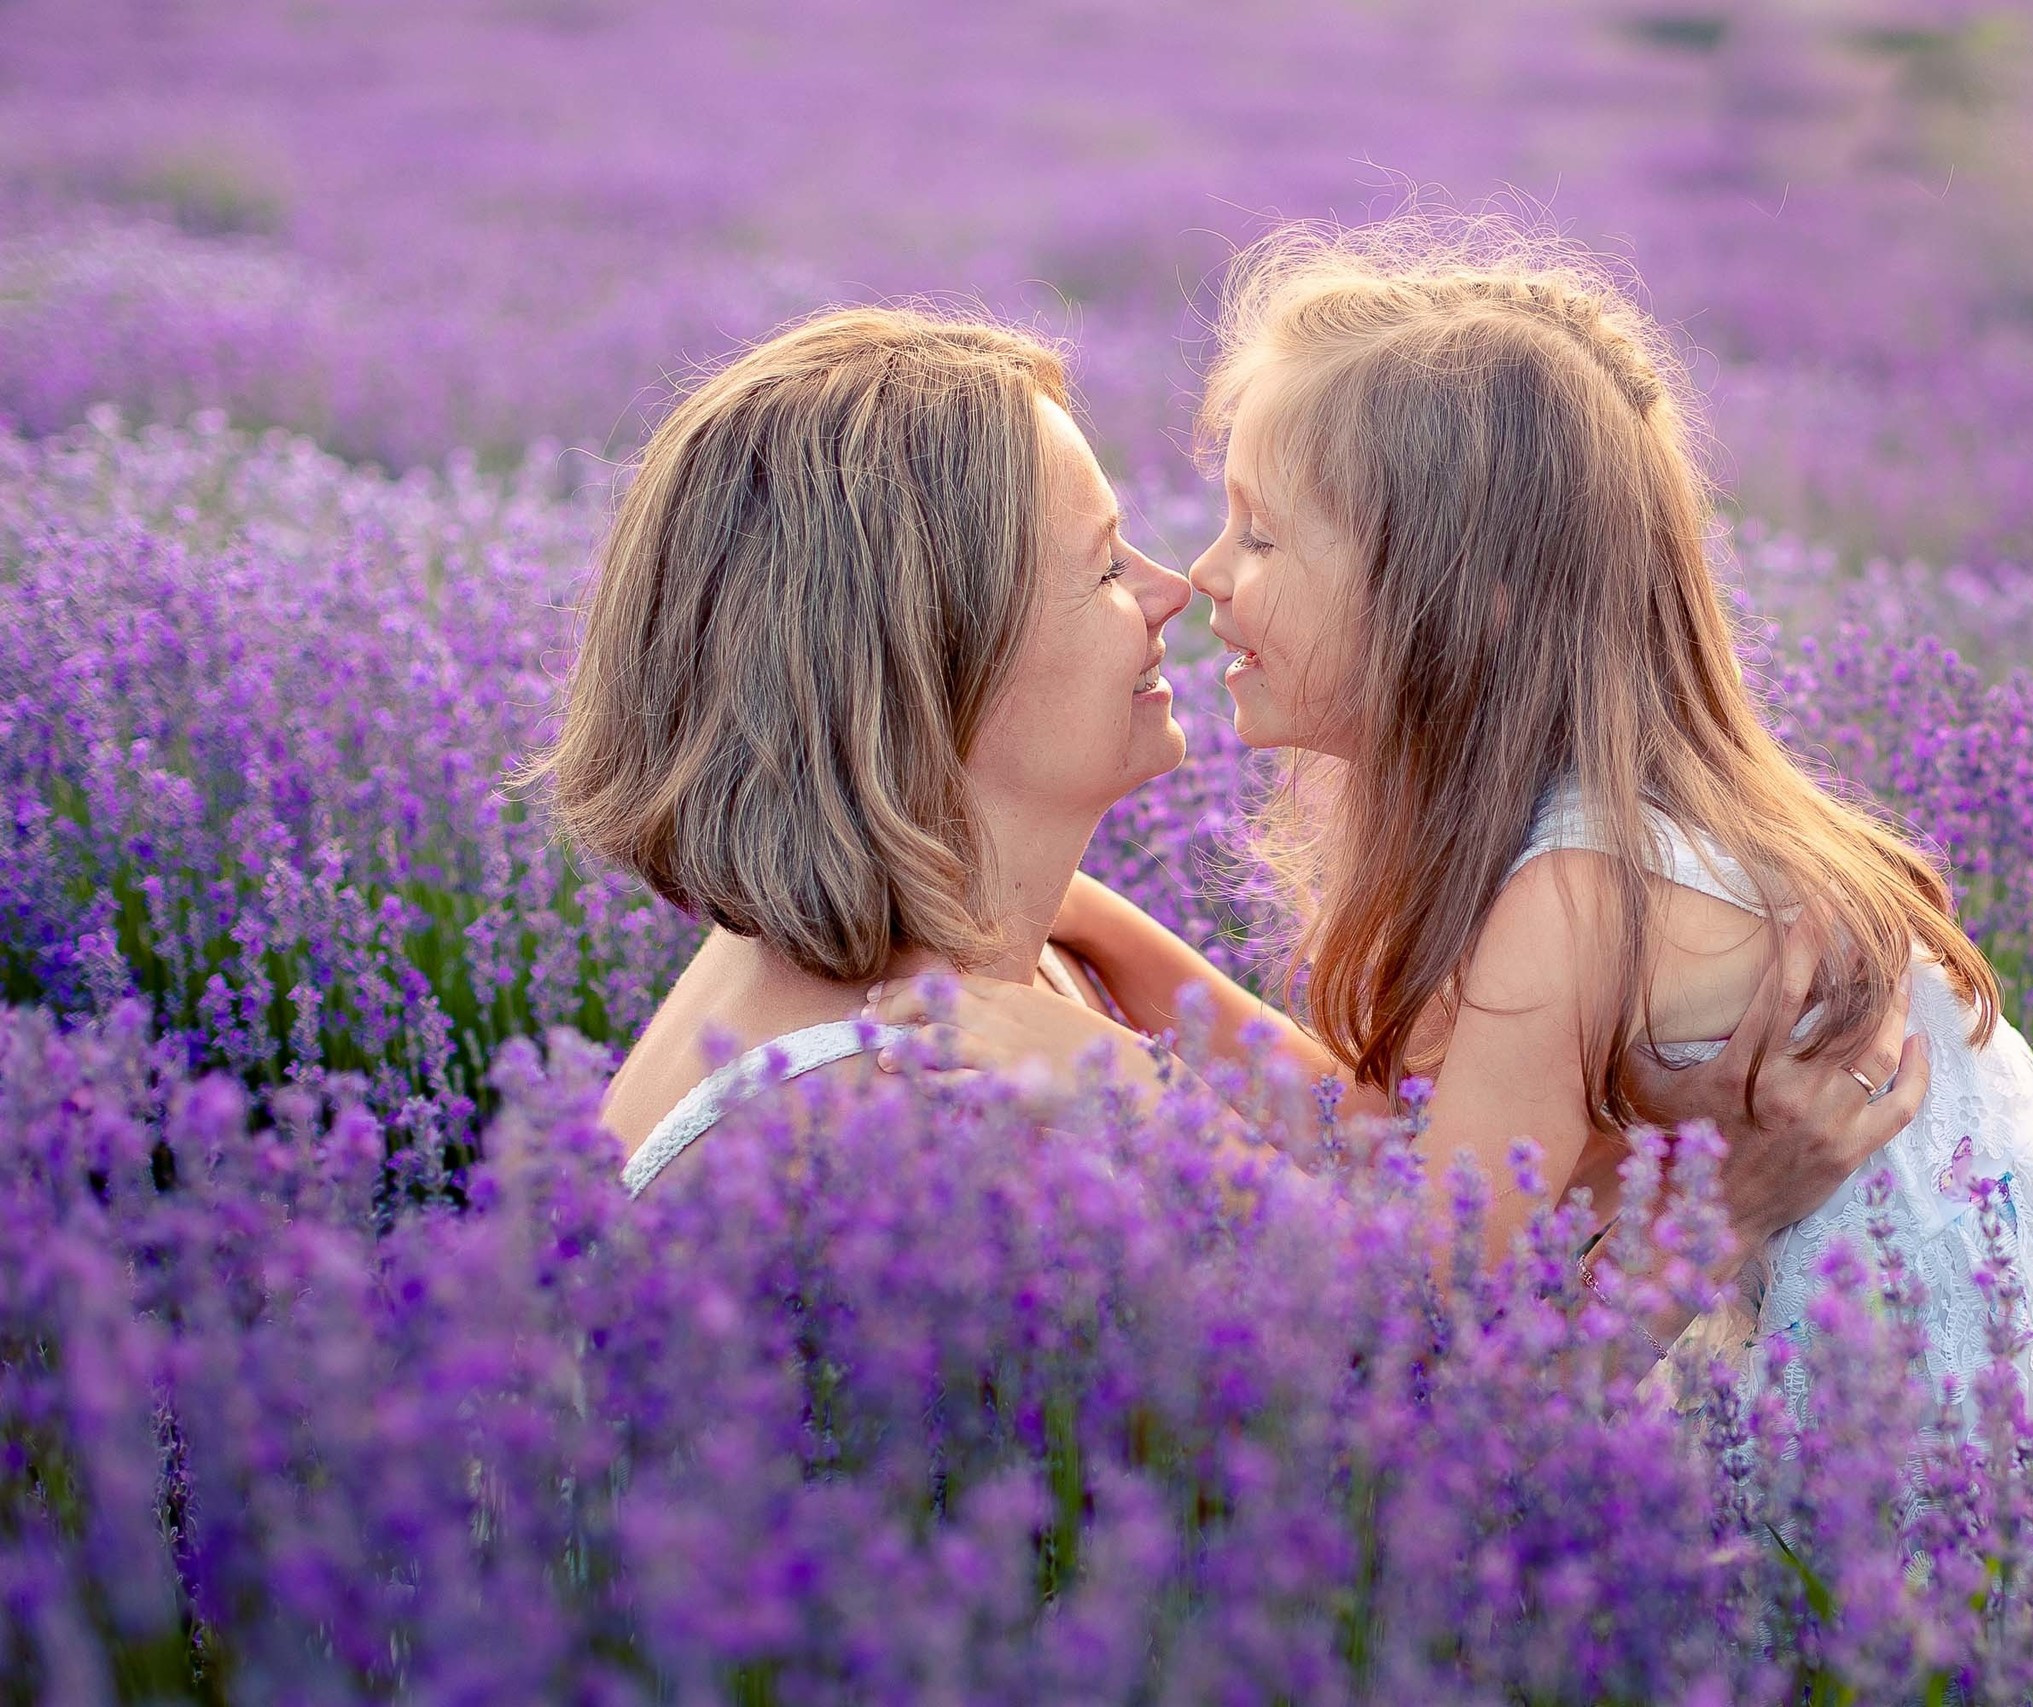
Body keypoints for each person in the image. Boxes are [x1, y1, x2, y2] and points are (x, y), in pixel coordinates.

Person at [868, 221, 2033, 1421]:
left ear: (1463, 603)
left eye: (1263, 536)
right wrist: (1087, 924)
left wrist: (1119, 1082)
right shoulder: (1580, 838)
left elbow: (1438, 1360)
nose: (1205, 577)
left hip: (1933, 1439)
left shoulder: (1574, 898)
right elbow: (1383, 1133)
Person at [536, 303, 1911, 1290]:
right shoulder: (900, 1105)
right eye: (1100, 563)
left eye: (1248, 535)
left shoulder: (1019, 960)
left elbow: (1387, 1174)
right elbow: (1408, 1406)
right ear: (922, 661)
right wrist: (1723, 1219)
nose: (1176, 586)